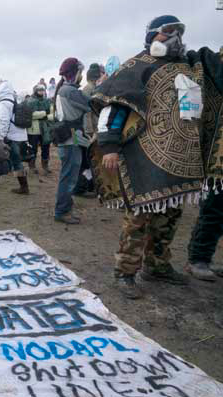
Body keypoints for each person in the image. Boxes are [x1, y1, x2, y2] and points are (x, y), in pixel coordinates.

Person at [92, 15, 223, 298]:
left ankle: (157, 265)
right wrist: (110, 146)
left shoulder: (190, 67)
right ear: (152, 37)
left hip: (179, 161)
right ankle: (125, 271)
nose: (174, 39)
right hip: (144, 159)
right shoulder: (137, 67)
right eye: (167, 34)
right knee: (138, 218)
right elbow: (114, 108)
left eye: (178, 33)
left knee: (169, 215)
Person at [53, 58, 91, 224]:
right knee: (68, 178)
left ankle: (64, 209)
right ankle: (62, 211)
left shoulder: (63, 89)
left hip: (68, 137)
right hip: (71, 139)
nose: (81, 76)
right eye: (80, 73)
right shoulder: (70, 91)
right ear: (75, 73)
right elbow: (91, 105)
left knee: (67, 176)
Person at [73, 63, 104, 197]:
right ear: (96, 78)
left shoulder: (91, 89)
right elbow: (86, 113)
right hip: (87, 132)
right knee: (85, 161)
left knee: (89, 160)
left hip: (90, 131)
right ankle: (81, 188)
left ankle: (89, 186)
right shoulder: (88, 91)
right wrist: (90, 133)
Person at [0, 81, 30, 194]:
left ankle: (24, 187)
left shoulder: (3, 103)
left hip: (11, 136)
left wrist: (1, 137)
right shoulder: (16, 100)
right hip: (21, 136)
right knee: (9, 158)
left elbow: (4, 121)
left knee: (11, 160)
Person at [27, 83, 53, 175]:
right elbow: (31, 115)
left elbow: (52, 114)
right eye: (39, 90)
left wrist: (43, 115)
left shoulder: (47, 101)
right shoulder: (30, 101)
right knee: (33, 148)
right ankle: (32, 166)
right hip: (34, 129)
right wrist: (45, 113)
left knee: (46, 148)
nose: (41, 92)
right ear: (35, 91)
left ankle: (45, 166)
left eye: (42, 90)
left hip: (45, 129)